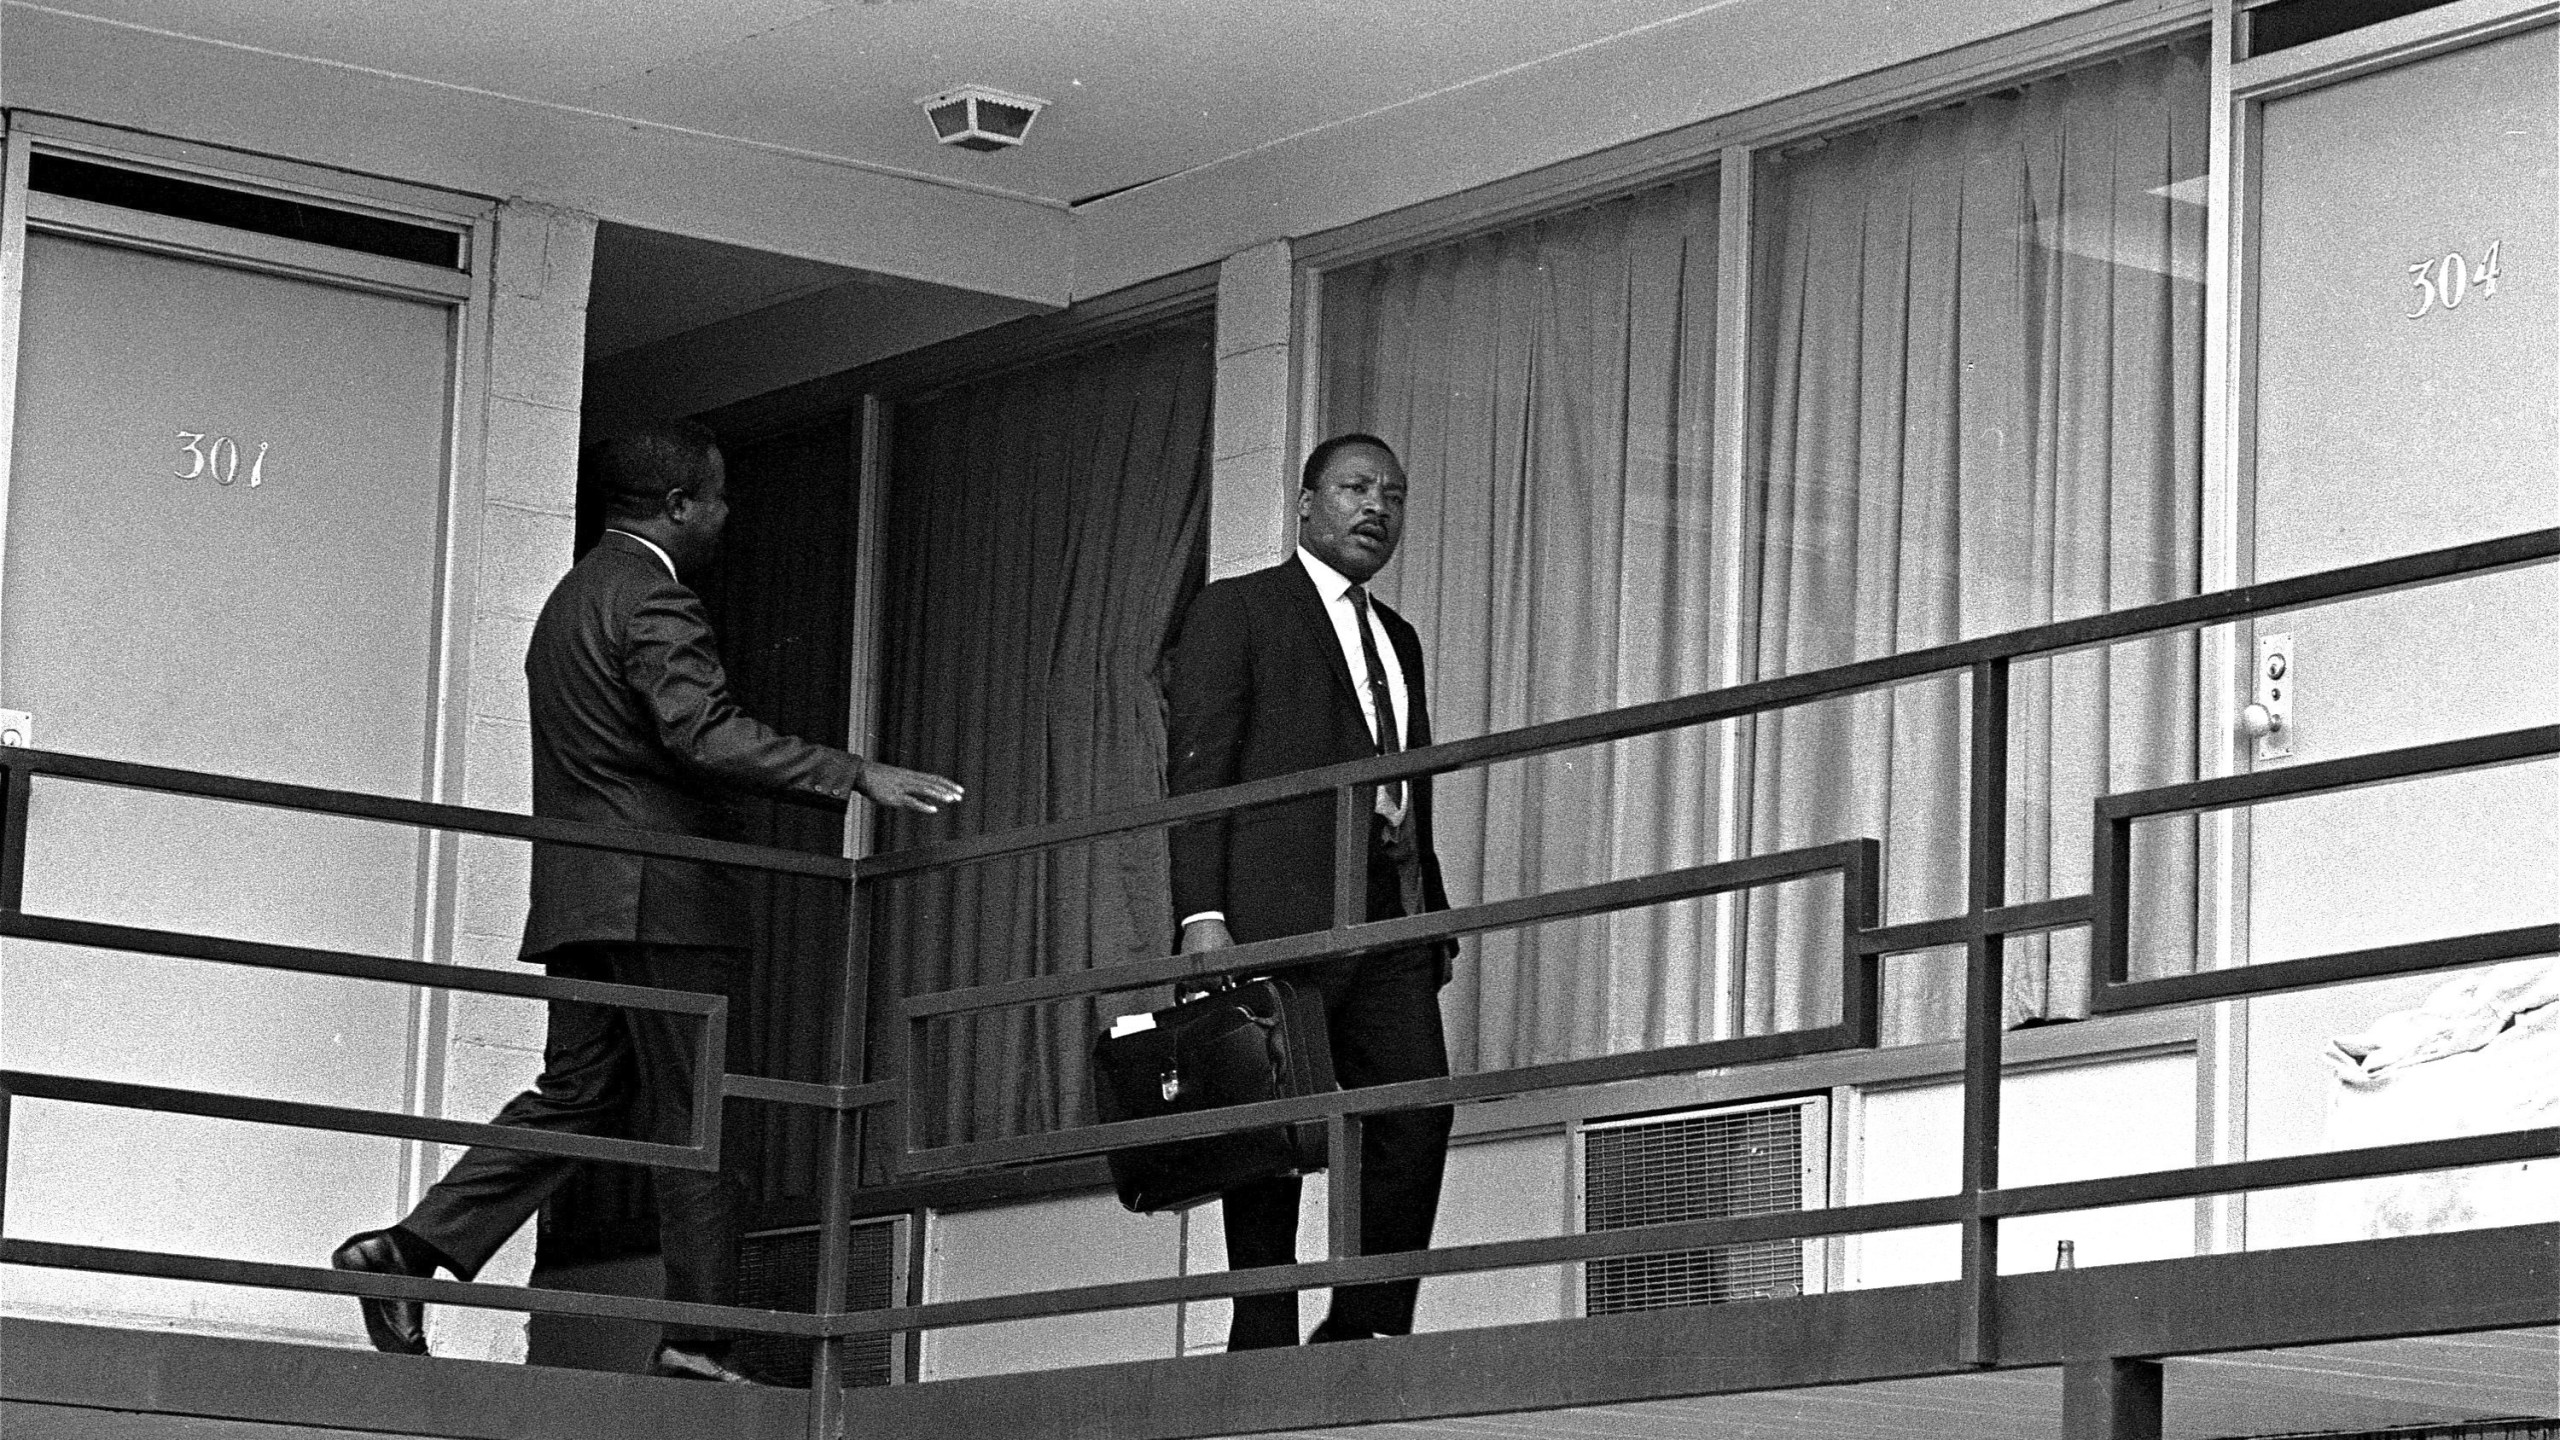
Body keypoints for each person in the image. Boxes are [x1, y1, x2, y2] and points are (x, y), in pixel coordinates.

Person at [332, 421, 963, 1382]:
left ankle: (407, 1253)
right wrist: (855, 772)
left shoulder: (569, 600)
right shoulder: (655, 596)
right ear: (677, 506)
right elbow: (702, 731)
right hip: (664, 900)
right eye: (716, 498)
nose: (725, 515)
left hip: (585, 899)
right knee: (695, 1114)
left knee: (579, 1095)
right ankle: (696, 1341)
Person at [1163, 432, 1457, 1349]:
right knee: (1269, 1126)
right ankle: (1262, 1342)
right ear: (1305, 503)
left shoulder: (1398, 638)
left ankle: (1364, 1330)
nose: (1377, 508)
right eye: (1356, 488)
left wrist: (1430, 915)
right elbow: (1201, 769)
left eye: (1394, 496)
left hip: (1389, 911)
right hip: (1274, 912)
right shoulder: (1240, 609)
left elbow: (1407, 784)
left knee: (1414, 1111)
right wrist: (1202, 915)